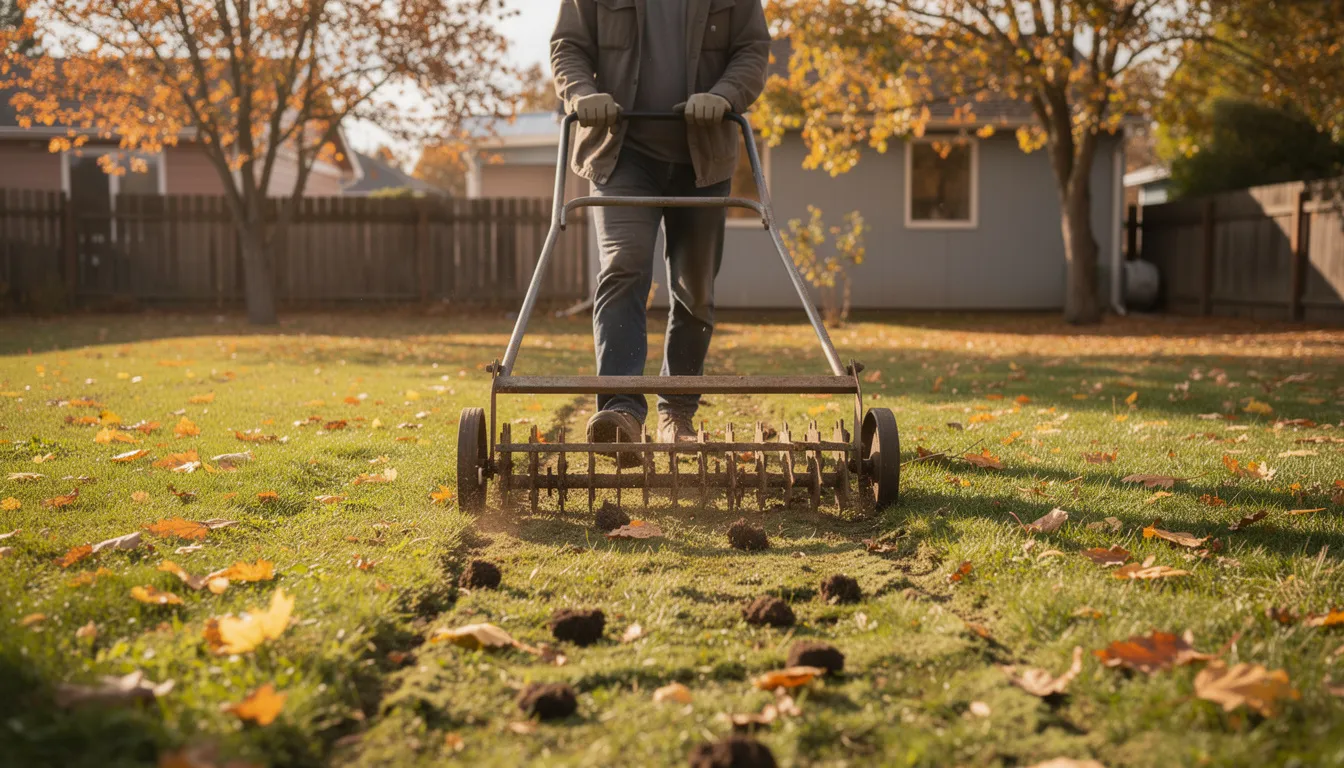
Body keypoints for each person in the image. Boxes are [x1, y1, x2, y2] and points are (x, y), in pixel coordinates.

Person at [551, 0, 770, 463]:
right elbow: (568, 47)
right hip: (621, 152)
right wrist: (581, 94)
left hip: (703, 158)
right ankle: (621, 412)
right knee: (624, 265)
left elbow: (751, 50)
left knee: (695, 289)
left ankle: (677, 414)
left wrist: (726, 94)